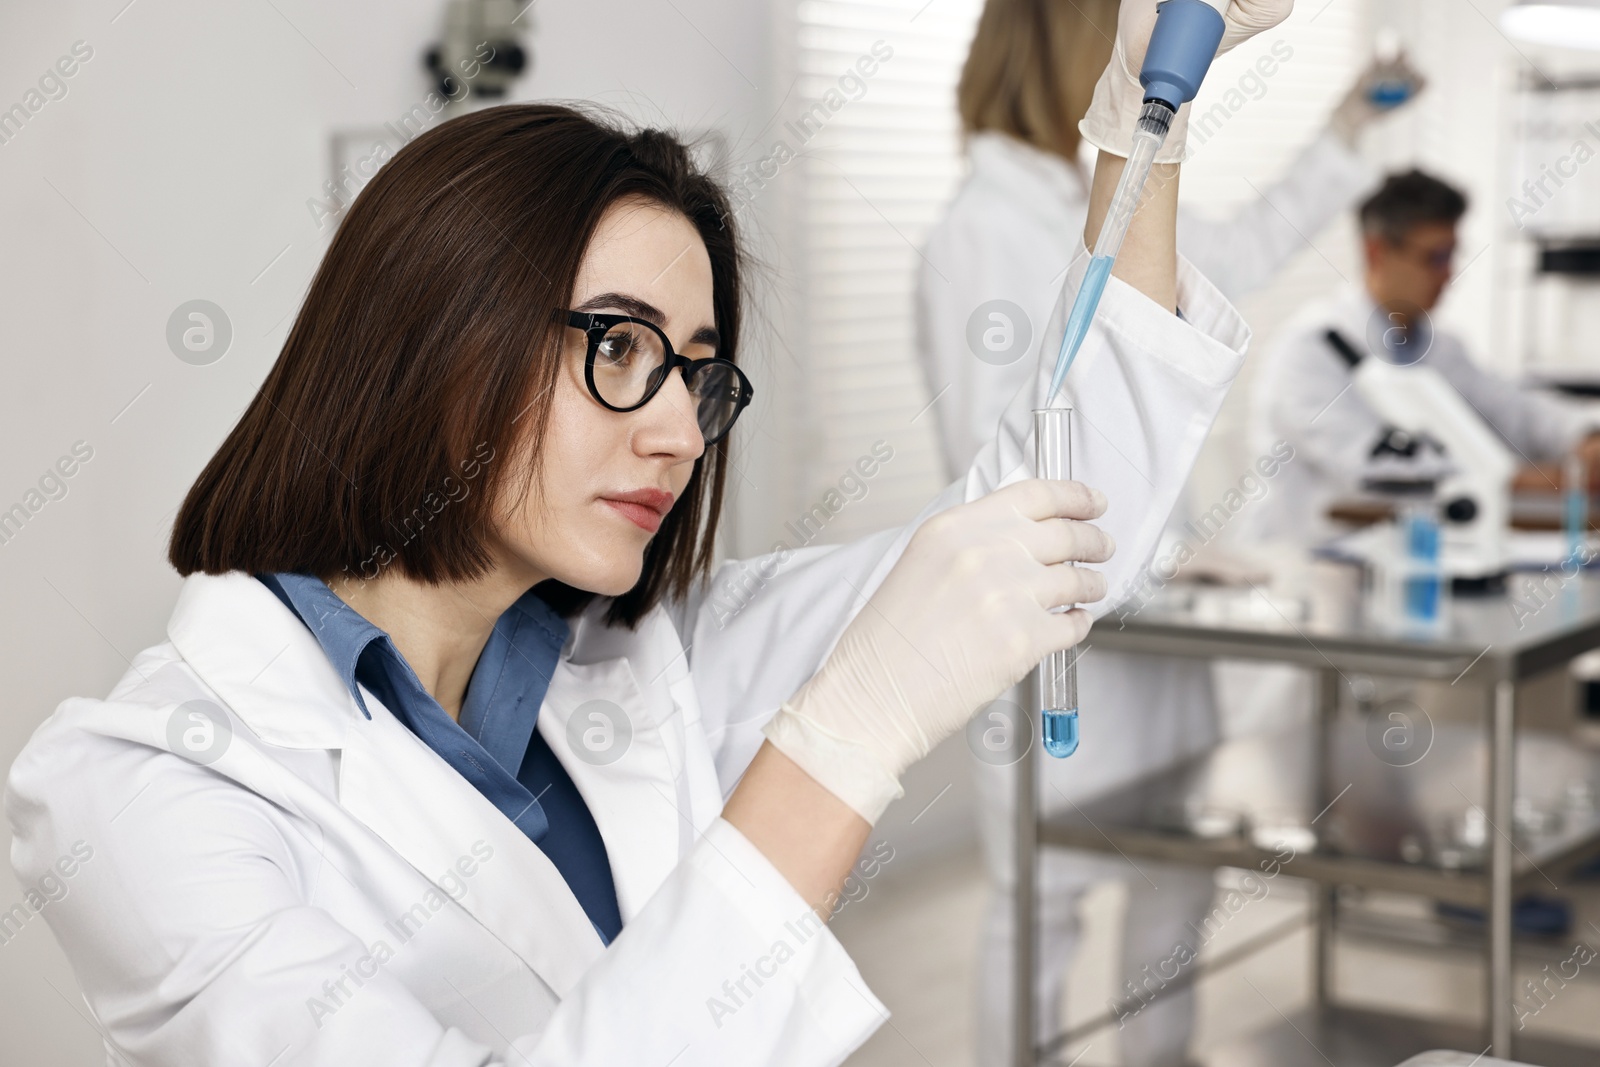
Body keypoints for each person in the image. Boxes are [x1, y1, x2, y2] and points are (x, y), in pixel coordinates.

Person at [2, 0, 1289, 1056]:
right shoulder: (140, 791)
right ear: (435, 340)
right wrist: (840, 744)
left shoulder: (645, 660)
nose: (679, 429)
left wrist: (1140, 125)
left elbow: (1061, 524)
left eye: (699, 372)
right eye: (619, 346)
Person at [913, 0, 1419, 1061]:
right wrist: (1157, 553)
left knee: (1170, 892)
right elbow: (1012, 456)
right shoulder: (982, 228)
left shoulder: (1090, 190)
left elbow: (1224, 250)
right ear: (1072, 47)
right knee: (1044, 911)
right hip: (1063, 653)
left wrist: (1339, 131)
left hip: (1154, 646)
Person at [1248, 168, 1600, 545]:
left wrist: (1585, 436)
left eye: (1451, 256)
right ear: (1377, 252)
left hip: (1415, 560)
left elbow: (1515, 409)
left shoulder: (1438, 348)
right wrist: (1525, 479)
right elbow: (1375, 469)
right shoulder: (1311, 350)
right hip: (1311, 567)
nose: (1448, 275)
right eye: (1434, 257)